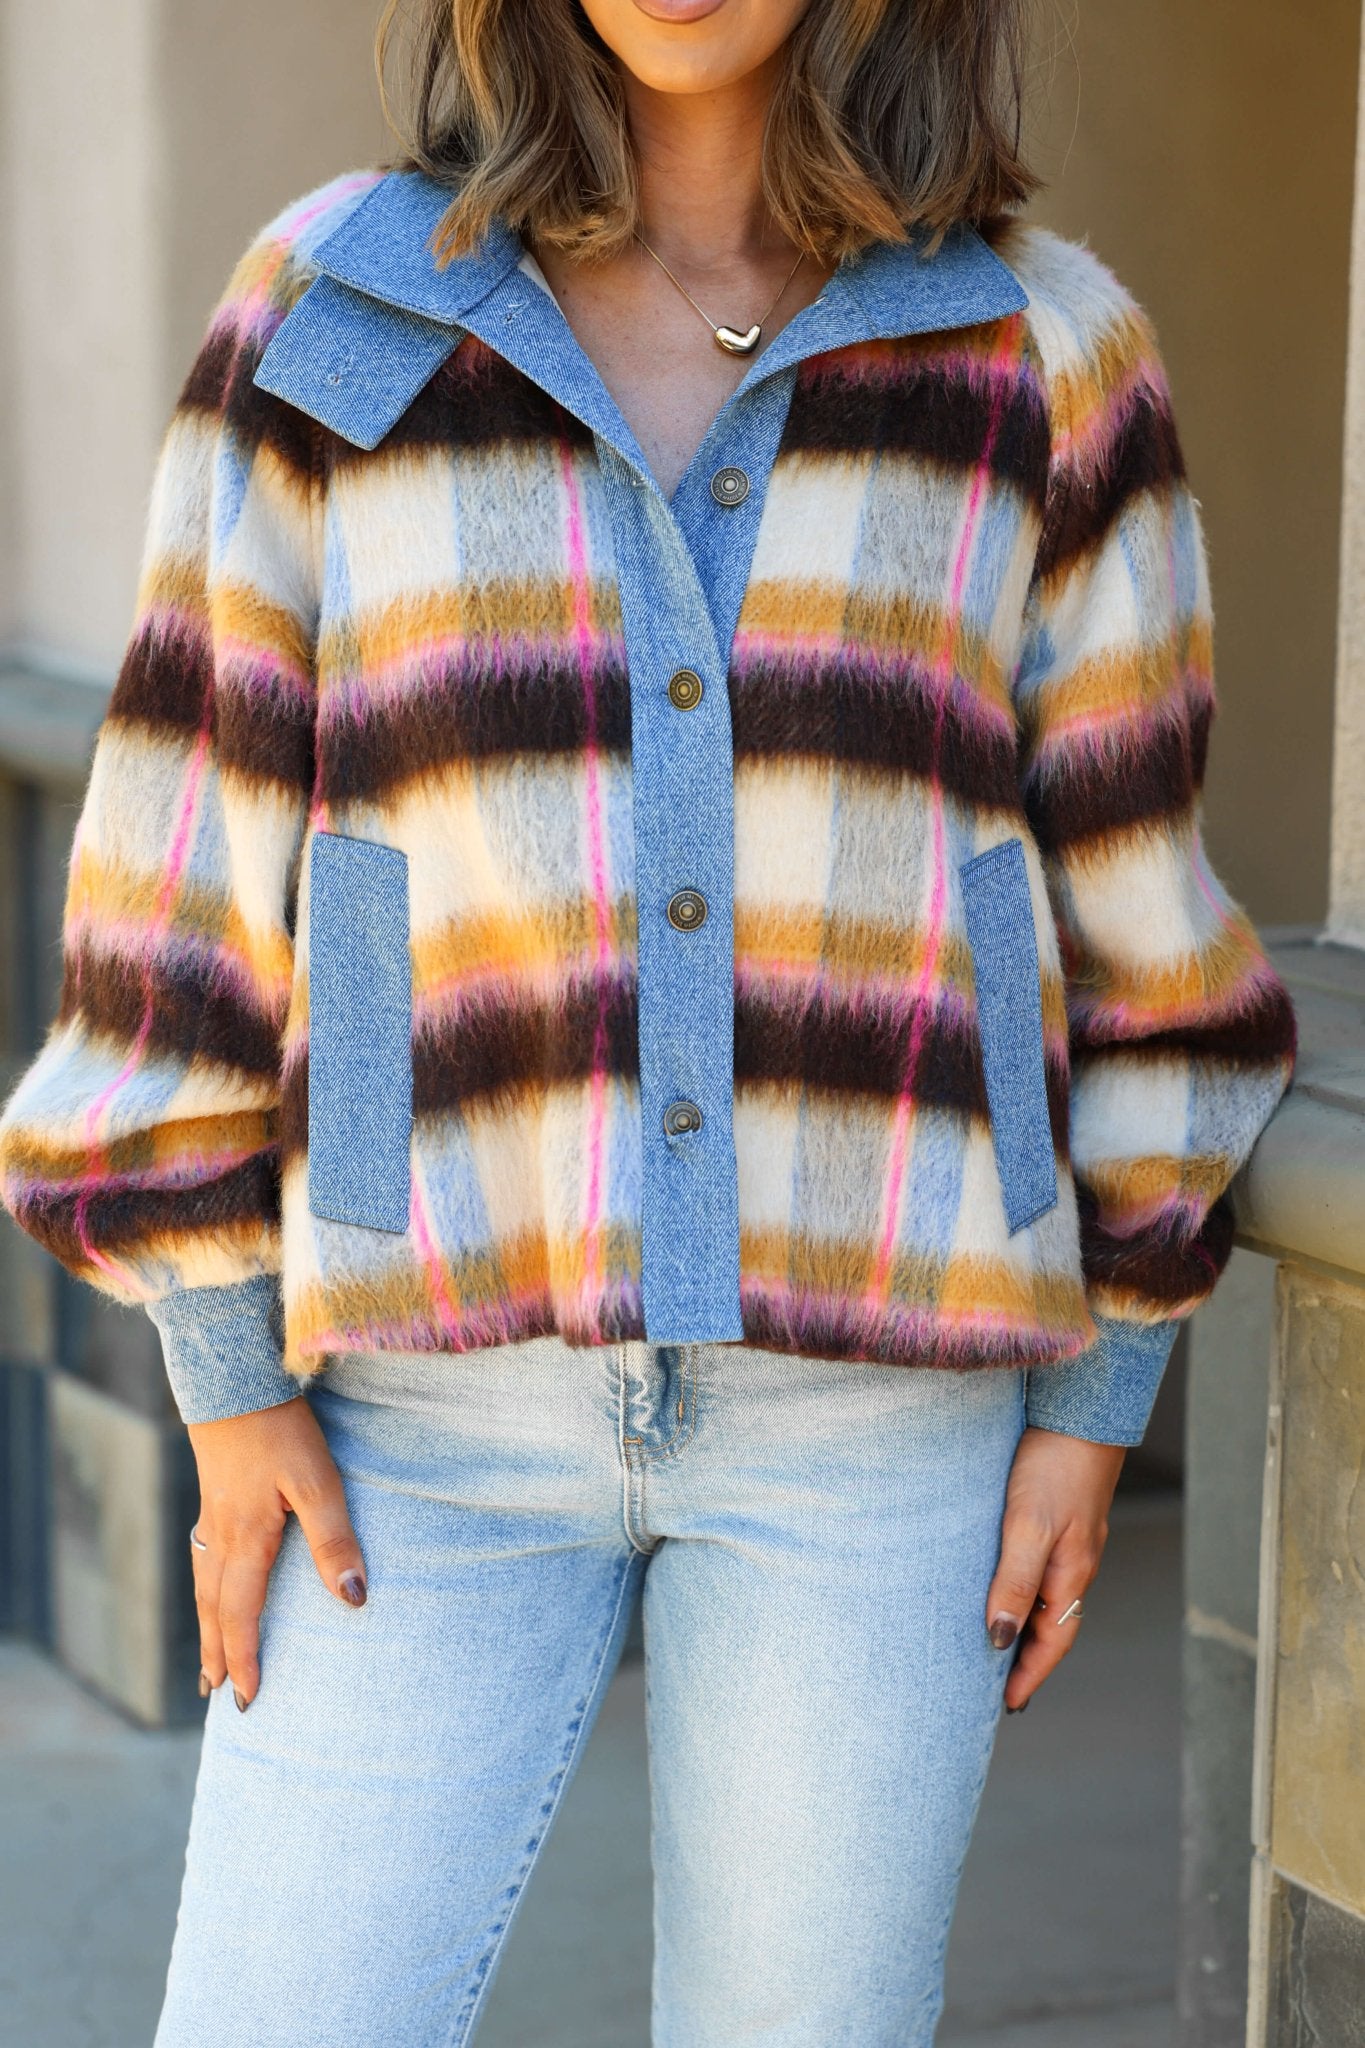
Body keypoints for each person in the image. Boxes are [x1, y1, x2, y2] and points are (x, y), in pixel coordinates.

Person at [0, 0, 1297, 2040]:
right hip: (411, 1419)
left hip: (876, 1425)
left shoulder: (1034, 357)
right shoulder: (337, 310)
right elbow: (180, 853)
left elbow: (1132, 900)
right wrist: (224, 1367)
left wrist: (1097, 1385)